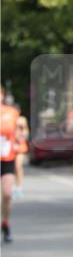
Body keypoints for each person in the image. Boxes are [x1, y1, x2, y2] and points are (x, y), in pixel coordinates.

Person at [1, 85, 20, 242]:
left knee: (7, 194)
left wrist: (19, 138)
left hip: (7, 157)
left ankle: (5, 223)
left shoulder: (12, 112)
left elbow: (20, 131)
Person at [13, 112, 29, 199]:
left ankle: (19, 187)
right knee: (9, 169)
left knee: (18, 166)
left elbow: (26, 133)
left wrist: (21, 129)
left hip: (19, 146)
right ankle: (11, 186)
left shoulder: (22, 119)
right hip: (9, 147)